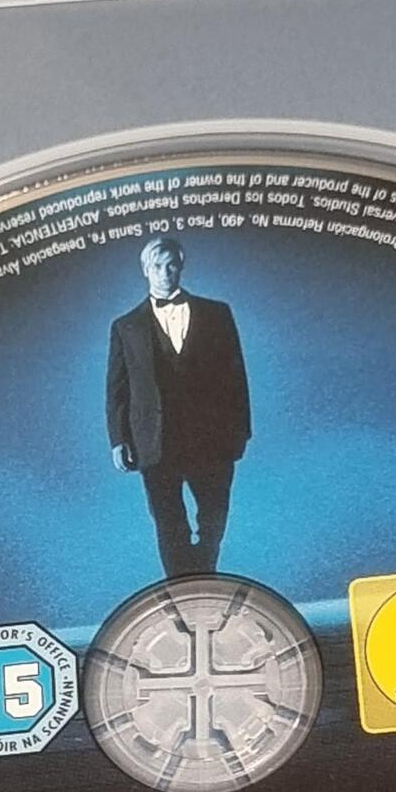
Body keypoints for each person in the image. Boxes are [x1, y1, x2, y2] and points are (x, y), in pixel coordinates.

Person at [105, 234, 252, 576]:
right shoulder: (125, 326)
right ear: (145, 270)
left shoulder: (217, 314)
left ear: (181, 267)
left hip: (211, 438)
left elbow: (236, 376)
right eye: (157, 266)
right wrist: (118, 439)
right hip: (154, 441)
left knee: (214, 517)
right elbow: (117, 388)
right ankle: (182, 587)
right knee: (168, 523)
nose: (165, 273)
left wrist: (241, 431)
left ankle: (203, 575)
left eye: (171, 265)